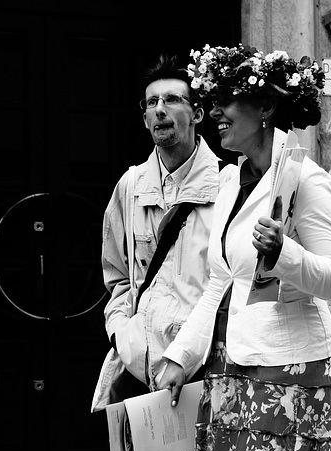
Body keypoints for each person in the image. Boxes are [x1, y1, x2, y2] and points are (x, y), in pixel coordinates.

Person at [156, 44, 331, 451]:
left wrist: (286, 255)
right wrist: (180, 358)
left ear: (264, 106)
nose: (214, 112)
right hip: (230, 372)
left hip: (296, 376)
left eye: (225, 100)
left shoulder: (308, 180)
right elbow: (219, 284)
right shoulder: (230, 181)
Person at [91, 54, 235, 413]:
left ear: (198, 114)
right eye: (152, 102)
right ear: (144, 119)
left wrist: (192, 352)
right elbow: (117, 276)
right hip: (139, 368)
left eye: (171, 99)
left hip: (204, 369)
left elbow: (231, 284)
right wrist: (122, 333)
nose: (159, 109)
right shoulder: (131, 186)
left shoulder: (227, 185)